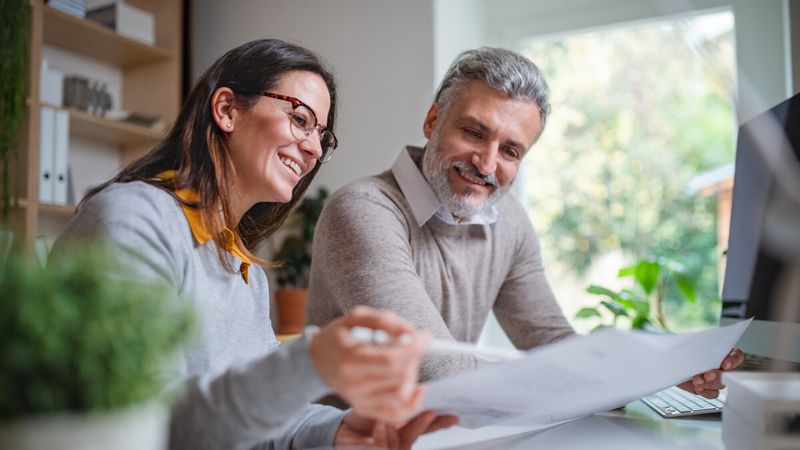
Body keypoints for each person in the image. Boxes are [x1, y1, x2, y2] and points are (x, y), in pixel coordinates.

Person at [54, 39, 456, 450]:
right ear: (226, 110)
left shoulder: (241, 268)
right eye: (300, 119)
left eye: (322, 135)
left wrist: (336, 431)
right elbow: (145, 422)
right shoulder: (133, 220)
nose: (315, 149)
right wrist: (308, 362)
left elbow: (262, 418)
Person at [306, 47, 744, 397]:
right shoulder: (364, 209)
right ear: (433, 119)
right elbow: (437, 372)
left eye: (511, 151)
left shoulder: (507, 220)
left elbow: (549, 341)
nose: (487, 163)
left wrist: (660, 370)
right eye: (474, 132)